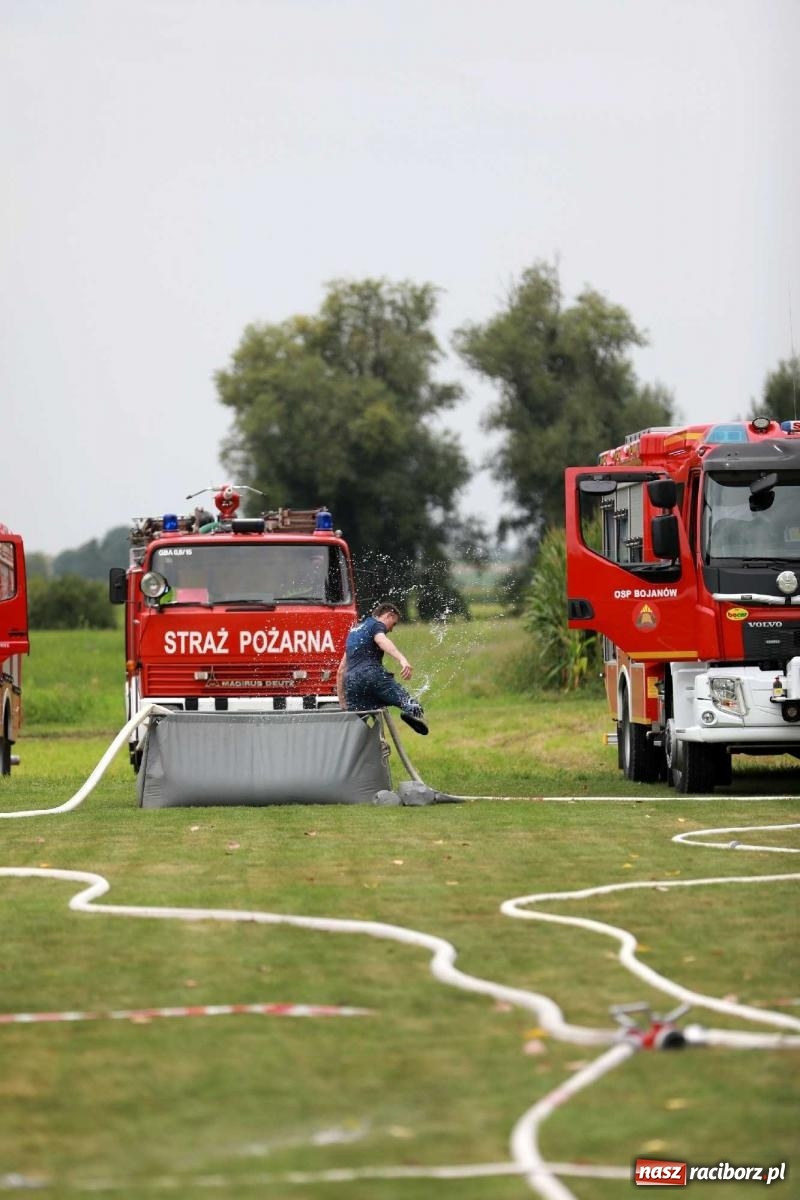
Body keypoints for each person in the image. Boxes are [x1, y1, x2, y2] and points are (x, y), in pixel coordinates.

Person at [336, 601, 428, 735]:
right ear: (388, 615)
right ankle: (411, 712)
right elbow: (381, 640)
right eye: (394, 624)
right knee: (412, 704)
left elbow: (340, 671)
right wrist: (402, 659)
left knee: (358, 726)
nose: (391, 629)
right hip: (372, 675)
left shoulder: (354, 633)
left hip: (352, 684)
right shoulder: (375, 625)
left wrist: (343, 703)